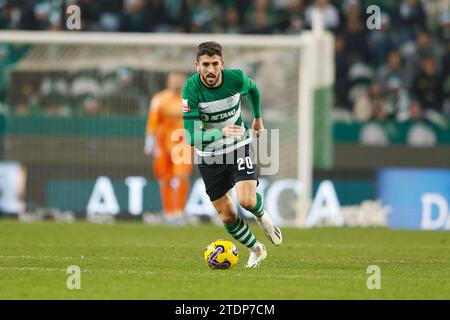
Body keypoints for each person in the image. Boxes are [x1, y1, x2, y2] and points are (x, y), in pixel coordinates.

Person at [182, 41, 282, 268]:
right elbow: (190, 137)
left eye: (214, 64)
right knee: (227, 217)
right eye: (205, 64)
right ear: (197, 65)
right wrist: (221, 132)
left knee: (246, 200)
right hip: (209, 156)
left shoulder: (235, 78)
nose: (210, 69)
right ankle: (257, 249)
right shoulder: (191, 90)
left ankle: (262, 214)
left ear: (222, 64)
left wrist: (257, 117)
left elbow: (253, 88)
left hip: (239, 145)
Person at [145, 72, 192, 225]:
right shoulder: (159, 99)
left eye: (180, 80)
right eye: (174, 80)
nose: (177, 83)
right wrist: (149, 140)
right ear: (168, 82)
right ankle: (168, 212)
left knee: (181, 176)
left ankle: (179, 212)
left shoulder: (191, 99)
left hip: (182, 143)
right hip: (162, 143)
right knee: (164, 178)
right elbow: (152, 121)